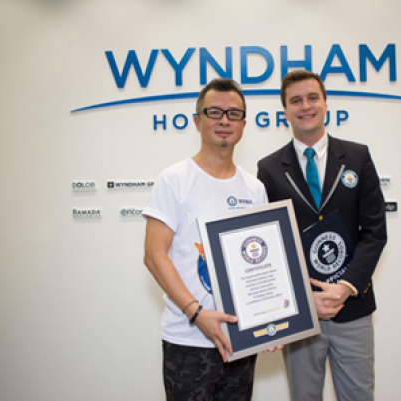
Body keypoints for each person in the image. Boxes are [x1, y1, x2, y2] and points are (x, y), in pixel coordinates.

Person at [257, 70, 387, 401]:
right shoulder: (269, 169)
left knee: (359, 396)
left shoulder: (357, 157)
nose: (306, 106)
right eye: (296, 101)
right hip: (301, 314)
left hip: (352, 306)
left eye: (313, 98)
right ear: (285, 111)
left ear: (326, 103)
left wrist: (345, 287)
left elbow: (375, 232)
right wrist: (303, 297)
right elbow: (271, 248)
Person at [143, 78, 267, 401]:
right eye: (214, 112)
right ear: (197, 121)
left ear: (243, 125)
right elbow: (154, 255)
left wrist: (269, 321)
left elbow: (259, 263)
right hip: (188, 340)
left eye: (233, 113)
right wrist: (197, 314)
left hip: (240, 340)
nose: (224, 120)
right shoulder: (174, 180)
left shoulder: (254, 189)